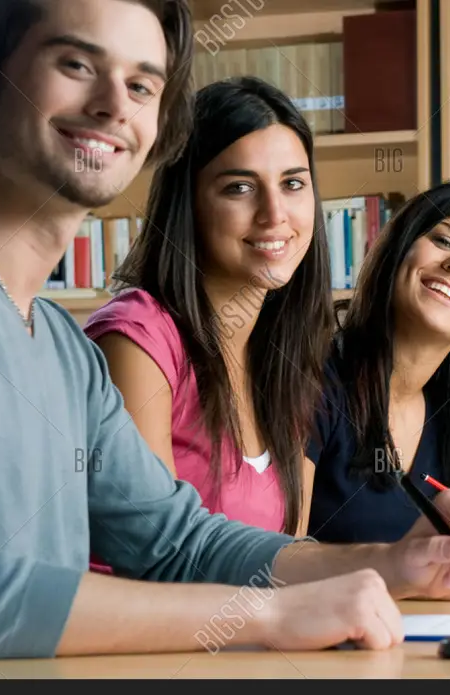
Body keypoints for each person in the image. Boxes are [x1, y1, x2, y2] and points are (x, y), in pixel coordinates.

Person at [0, 0, 450, 664]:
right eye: (77, 63)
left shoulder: (58, 345)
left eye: (143, 84)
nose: (116, 104)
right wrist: (270, 613)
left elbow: (178, 542)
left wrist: (399, 562)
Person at [84, 77, 330, 538]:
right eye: (239, 188)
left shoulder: (285, 356)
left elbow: (286, 555)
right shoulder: (137, 338)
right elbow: (159, 551)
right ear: (189, 203)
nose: (274, 214)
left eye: (293, 183)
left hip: (254, 611)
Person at [304, 179, 450, 583]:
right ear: (398, 251)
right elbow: (272, 555)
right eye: (445, 241)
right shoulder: (313, 383)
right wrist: (410, 556)